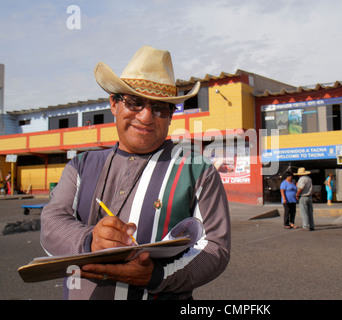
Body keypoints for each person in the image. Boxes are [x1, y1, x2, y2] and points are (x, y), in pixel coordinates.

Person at [40, 45, 231, 300]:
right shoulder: (81, 165)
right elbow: (52, 222)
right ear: (114, 104)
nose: (146, 116)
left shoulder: (198, 171)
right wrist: (90, 241)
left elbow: (214, 248)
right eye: (135, 102)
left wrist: (157, 275)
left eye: (160, 107)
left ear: (171, 115)